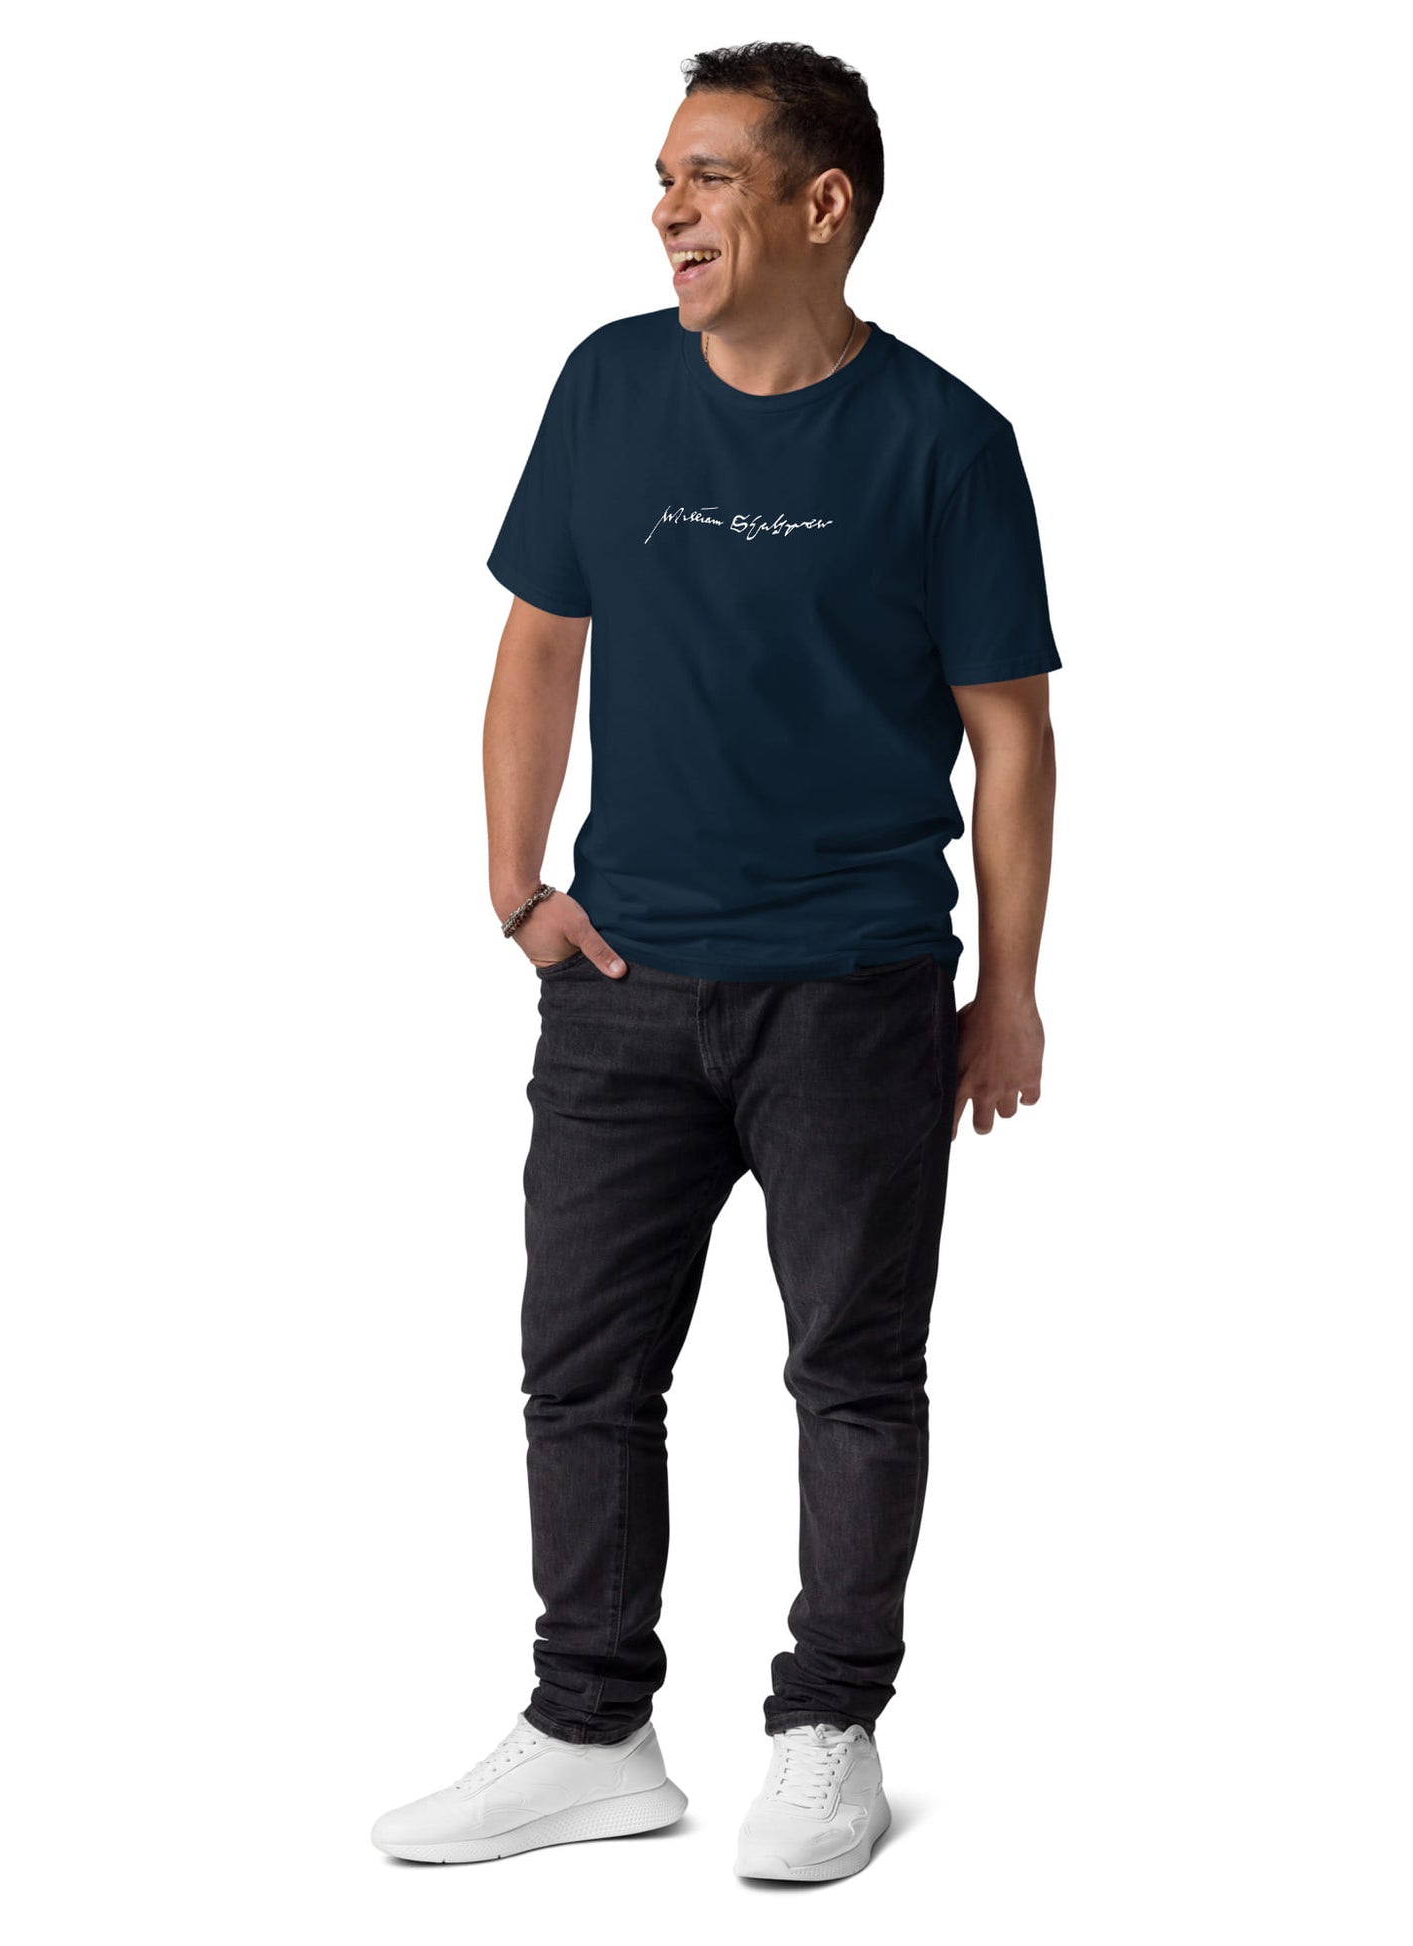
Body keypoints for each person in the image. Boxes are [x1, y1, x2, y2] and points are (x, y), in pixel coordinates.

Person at [372, 40, 1058, 1882]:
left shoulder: (944, 441)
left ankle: (829, 1725)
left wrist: (1005, 989)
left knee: (853, 1375)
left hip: (853, 989)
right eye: (663, 178)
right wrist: (514, 888)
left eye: (707, 176)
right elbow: (539, 643)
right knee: (581, 1372)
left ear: (821, 205)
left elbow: (1010, 734)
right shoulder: (608, 385)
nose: (665, 206)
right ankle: (589, 1727)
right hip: (623, 986)